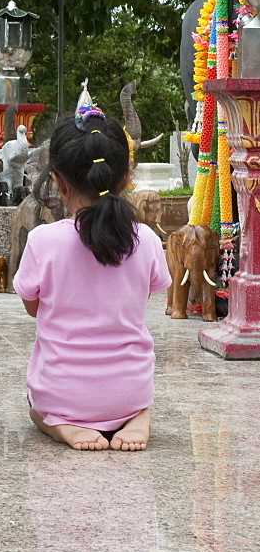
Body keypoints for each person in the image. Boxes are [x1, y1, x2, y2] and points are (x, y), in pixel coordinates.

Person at [13, 96, 171, 452]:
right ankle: (137, 416)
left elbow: (33, 308)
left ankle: (64, 428)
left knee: (37, 410)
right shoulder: (144, 239)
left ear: (58, 182)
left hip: (62, 393)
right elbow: (139, 301)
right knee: (136, 402)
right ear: (126, 177)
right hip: (129, 390)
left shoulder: (42, 241)